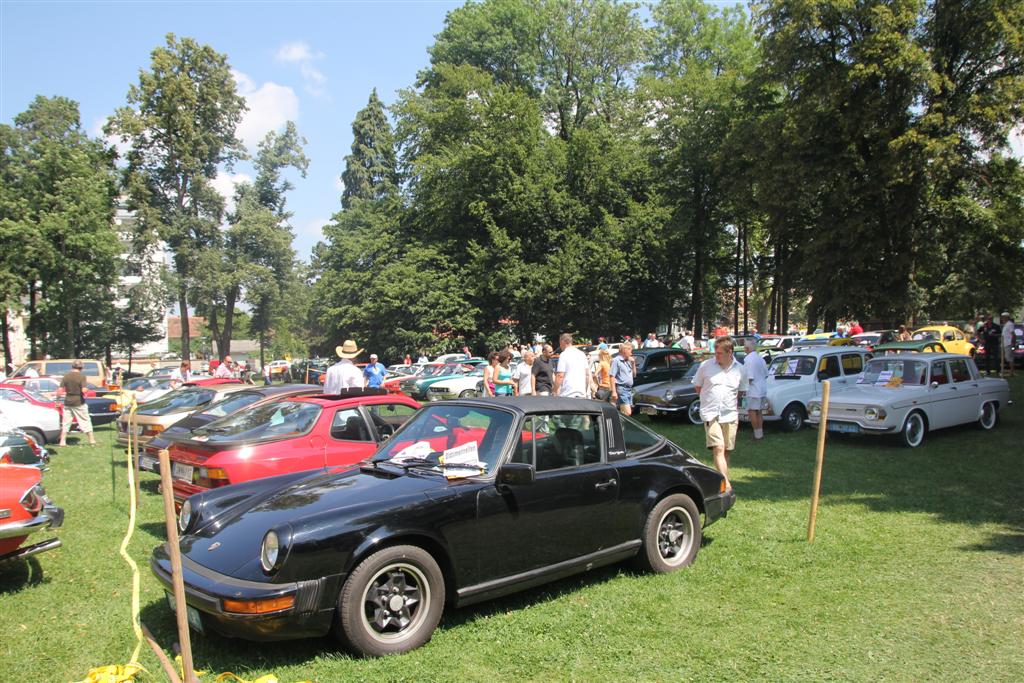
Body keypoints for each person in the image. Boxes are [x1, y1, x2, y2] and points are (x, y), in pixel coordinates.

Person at [693, 336, 747, 492]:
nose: (716, 356)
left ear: (730, 352)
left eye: (719, 353)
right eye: (715, 352)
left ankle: (720, 480)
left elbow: (742, 392)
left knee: (726, 451)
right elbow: (698, 387)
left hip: (730, 415)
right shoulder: (706, 366)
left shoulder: (740, 369)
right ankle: (726, 484)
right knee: (718, 448)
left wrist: (741, 411)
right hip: (711, 413)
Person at [58, 360, 95, 446]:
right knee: (85, 421)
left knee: (66, 422)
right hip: (79, 402)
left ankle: (62, 442)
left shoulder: (66, 376)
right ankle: (92, 440)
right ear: (81, 367)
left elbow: (60, 390)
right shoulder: (82, 377)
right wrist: (87, 390)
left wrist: (57, 400)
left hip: (67, 402)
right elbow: (83, 390)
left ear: (72, 366)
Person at [743, 339, 769, 440]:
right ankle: (760, 433)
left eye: (745, 347)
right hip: (762, 388)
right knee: (759, 411)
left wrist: (744, 388)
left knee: (752, 411)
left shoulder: (748, 360)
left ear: (747, 348)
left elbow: (749, 377)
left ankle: (757, 434)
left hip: (753, 389)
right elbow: (766, 374)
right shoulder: (760, 358)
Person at [551, 333, 588, 398]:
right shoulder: (582, 354)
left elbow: (560, 375)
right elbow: (587, 375)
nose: (560, 345)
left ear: (563, 342)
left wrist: (554, 390)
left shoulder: (564, 354)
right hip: (582, 394)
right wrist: (585, 390)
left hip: (568, 394)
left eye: (560, 343)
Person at [610, 343, 636, 415]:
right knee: (627, 412)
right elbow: (612, 376)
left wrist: (633, 364)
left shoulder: (628, 361)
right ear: (625, 351)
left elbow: (634, 375)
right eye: (630, 350)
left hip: (629, 390)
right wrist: (614, 392)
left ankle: (620, 425)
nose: (631, 353)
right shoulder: (616, 361)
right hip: (622, 389)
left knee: (625, 413)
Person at [1000, 312, 1016, 377]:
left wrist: (1013, 343)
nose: (1002, 318)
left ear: (1006, 317)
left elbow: (1013, 334)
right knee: (1004, 358)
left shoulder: (1010, 324)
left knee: (1009, 358)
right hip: (1004, 343)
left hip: (1008, 343)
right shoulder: (1005, 324)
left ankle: (1011, 372)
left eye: (1003, 317)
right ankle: (1003, 371)